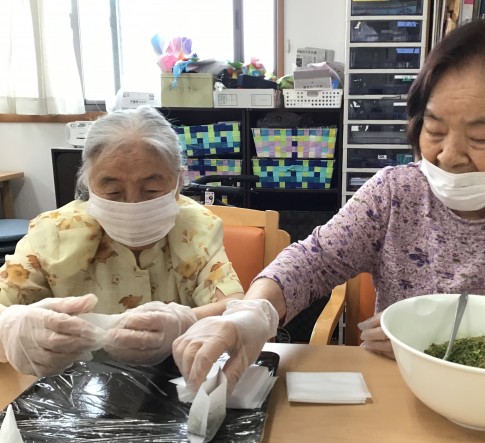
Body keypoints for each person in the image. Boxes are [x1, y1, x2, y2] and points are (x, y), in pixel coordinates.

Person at [172, 17, 485, 389]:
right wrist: (254, 313)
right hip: (405, 398)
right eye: (434, 130)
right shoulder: (397, 192)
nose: (448, 155)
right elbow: (313, 261)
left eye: (480, 138)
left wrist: (433, 344)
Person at [0, 105, 279, 380]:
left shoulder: (196, 227)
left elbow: (232, 306)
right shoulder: (52, 233)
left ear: (178, 182)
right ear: (88, 184)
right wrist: (11, 328)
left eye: (151, 190)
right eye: (113, 191)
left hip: (173, 383)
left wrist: (184, 322)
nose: (133, 204)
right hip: (70, 388)